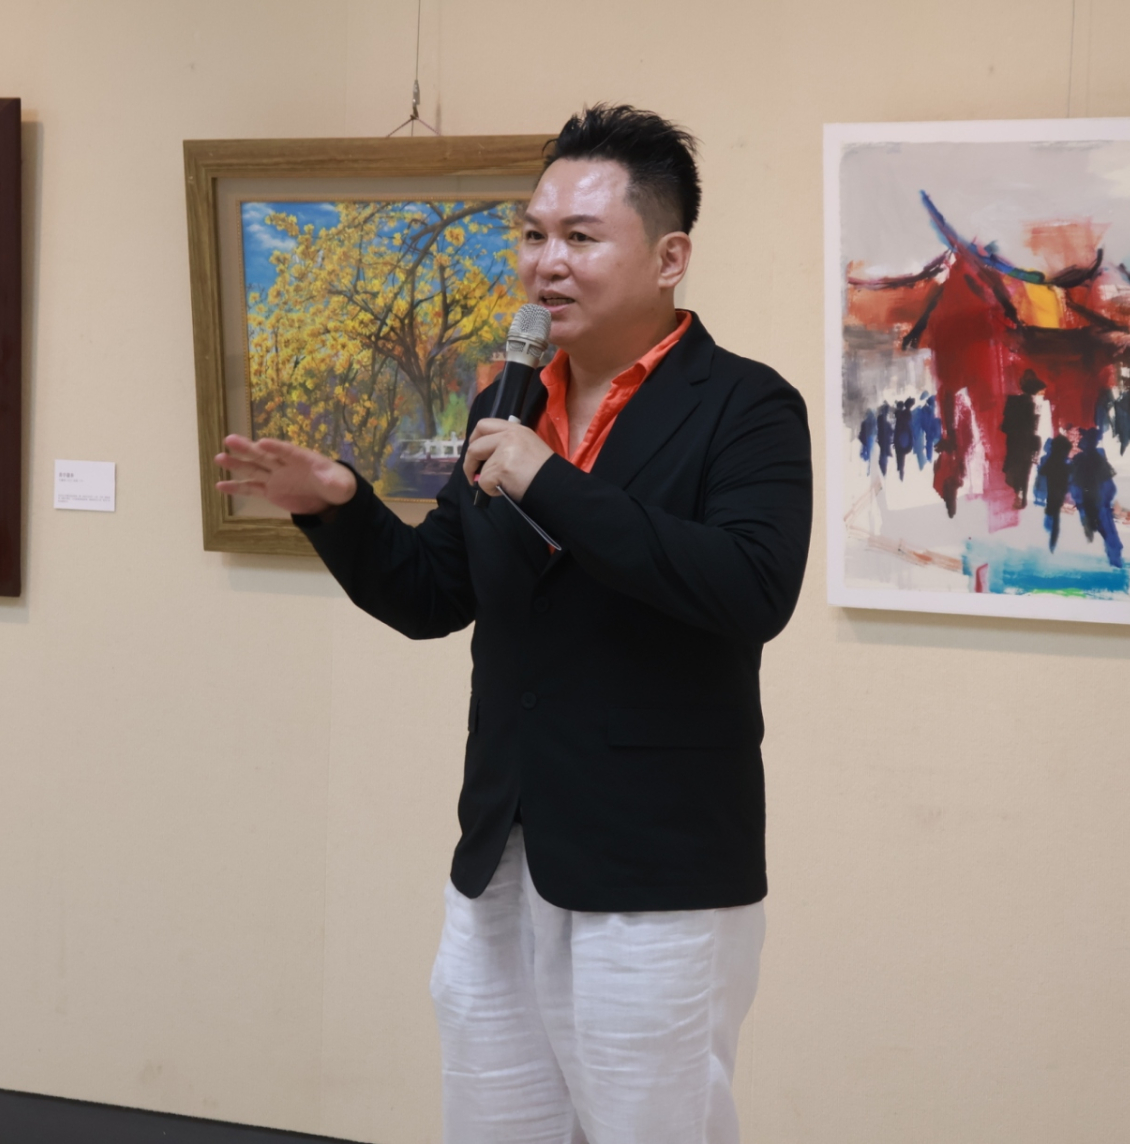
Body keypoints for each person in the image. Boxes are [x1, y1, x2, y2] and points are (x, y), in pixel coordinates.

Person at [214, 105, 812, 1144]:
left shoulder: (747, 406)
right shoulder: (510, 398)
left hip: (656, 870)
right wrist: (340, 504)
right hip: (503, 847)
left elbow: (751, 587)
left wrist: (552, 481)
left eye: (581, 236)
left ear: (669, 257)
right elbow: (433, 592)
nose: (546, 262)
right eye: (534, 234)